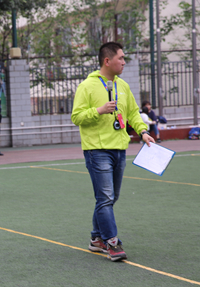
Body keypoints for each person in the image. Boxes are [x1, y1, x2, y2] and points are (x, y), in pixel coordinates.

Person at [71, 42, 154, 262]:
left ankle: (96, 238)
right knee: (106, 197)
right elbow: (76, 117)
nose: (124, 62)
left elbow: (133, 113)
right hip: (97, 150)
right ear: (107, 61)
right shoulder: (87, 86)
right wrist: (98, 110)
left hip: (119, 148)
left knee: (110, 197)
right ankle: (112, 242)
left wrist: (143, 132)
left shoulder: (123, 86)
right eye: (121, 58)